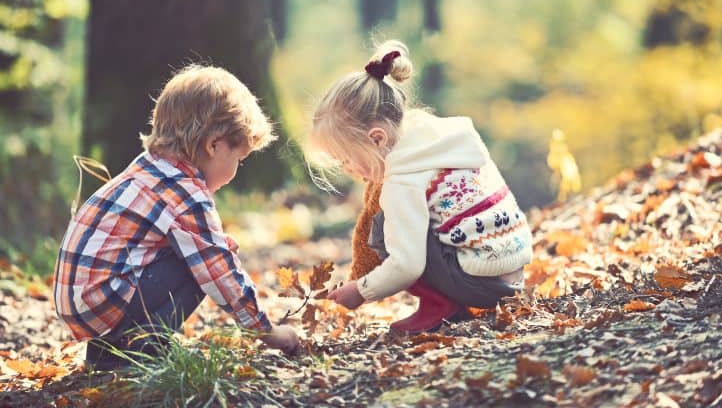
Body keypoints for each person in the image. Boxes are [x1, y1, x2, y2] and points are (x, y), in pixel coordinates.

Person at [53, 65, 299, 370]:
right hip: (102, 300)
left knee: (201, 252)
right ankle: (143, 347)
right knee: (205, 262)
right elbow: (219, 270)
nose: (237, 170)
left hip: (82, 301)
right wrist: (266, 331)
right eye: (239, 159)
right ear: (213, 145)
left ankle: (107, 351)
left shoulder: (149, 166)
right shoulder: (185, 193)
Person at [310, 40, 534, 333]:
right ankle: (449, 299)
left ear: (377, 139)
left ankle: (441, 306)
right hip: (512, 275)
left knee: (382, 225)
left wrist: (361, 290)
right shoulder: (442, 140)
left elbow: (407, 265)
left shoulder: (403, 180)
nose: (348, 170)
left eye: (345, 160)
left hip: (480, 284)